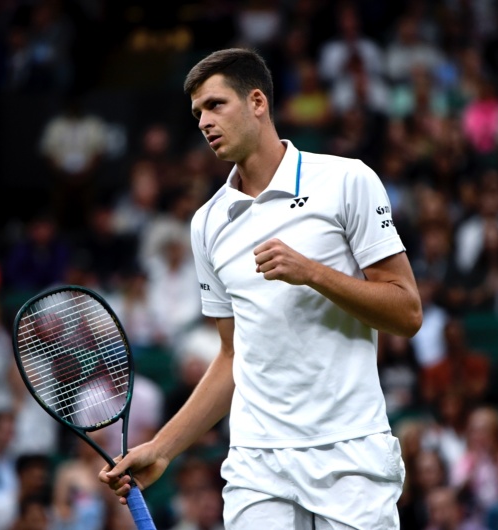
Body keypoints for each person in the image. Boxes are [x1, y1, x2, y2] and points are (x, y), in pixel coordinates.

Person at [99, 47, 422, 529]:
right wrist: (162, 449)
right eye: (197, 113)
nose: (204, 122)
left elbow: (406, 311)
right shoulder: (207, 223)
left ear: (257, 102)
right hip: (257, 465)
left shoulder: (347, 180)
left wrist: (313, 272)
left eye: (215, 105)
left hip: (350, 454)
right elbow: (232, 355)